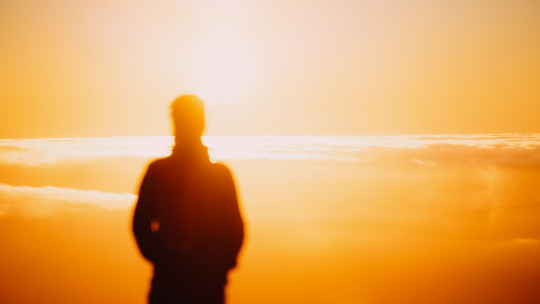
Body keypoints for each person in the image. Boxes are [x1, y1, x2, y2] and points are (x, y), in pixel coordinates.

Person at [133, 95, 244, 304]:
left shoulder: (218, 176)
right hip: (179, 283)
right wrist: (166, 259)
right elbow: (140, 225)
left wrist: (216, 266)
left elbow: (235, 229)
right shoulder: (158, 172)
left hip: (197, 284)